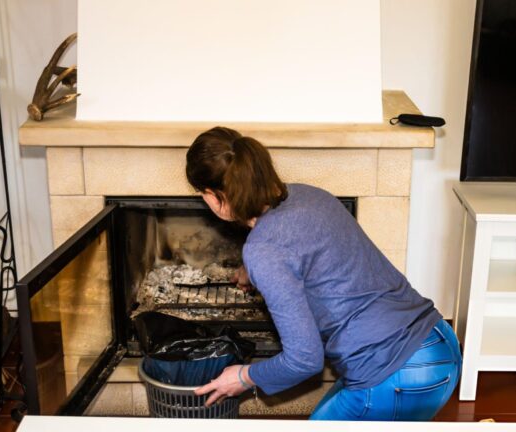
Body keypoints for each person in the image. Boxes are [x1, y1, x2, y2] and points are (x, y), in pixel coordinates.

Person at [189, 126, 461, 421]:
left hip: (397, 373)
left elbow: (304, 360)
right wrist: (249, 269)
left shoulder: (264, 251)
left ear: (217, 197)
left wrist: (244, 376)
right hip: (439, 342)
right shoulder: (308, 195)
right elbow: (302, 252)